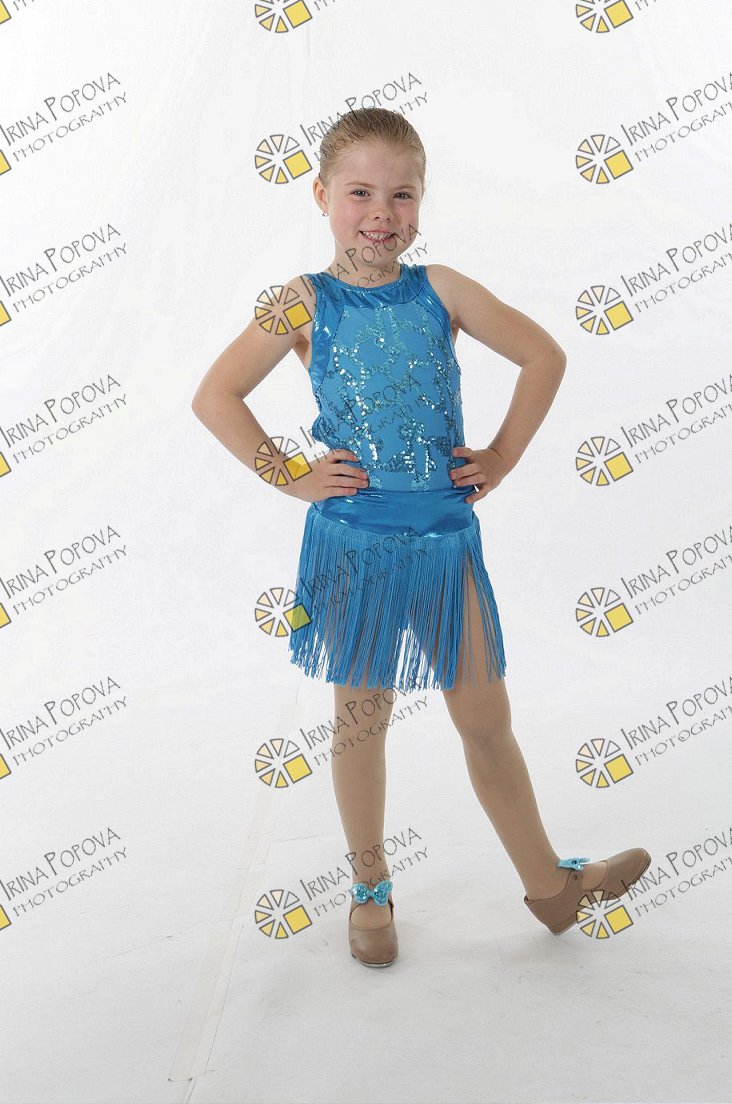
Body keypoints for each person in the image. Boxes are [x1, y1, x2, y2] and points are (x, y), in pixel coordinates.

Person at [191, 107, 650, 968]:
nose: (381, 213)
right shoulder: (303, 301)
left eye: (401, 195)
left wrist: (501, 456)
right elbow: (216, 396)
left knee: (485, 716)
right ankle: (370, 889)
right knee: (361, 721)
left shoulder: (442, 289)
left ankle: (549, 885)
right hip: (356, 542)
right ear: (321, 195)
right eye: (360, 193)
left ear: (421, 201)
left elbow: (544, 356)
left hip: (444, 538)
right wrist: (291, 476)